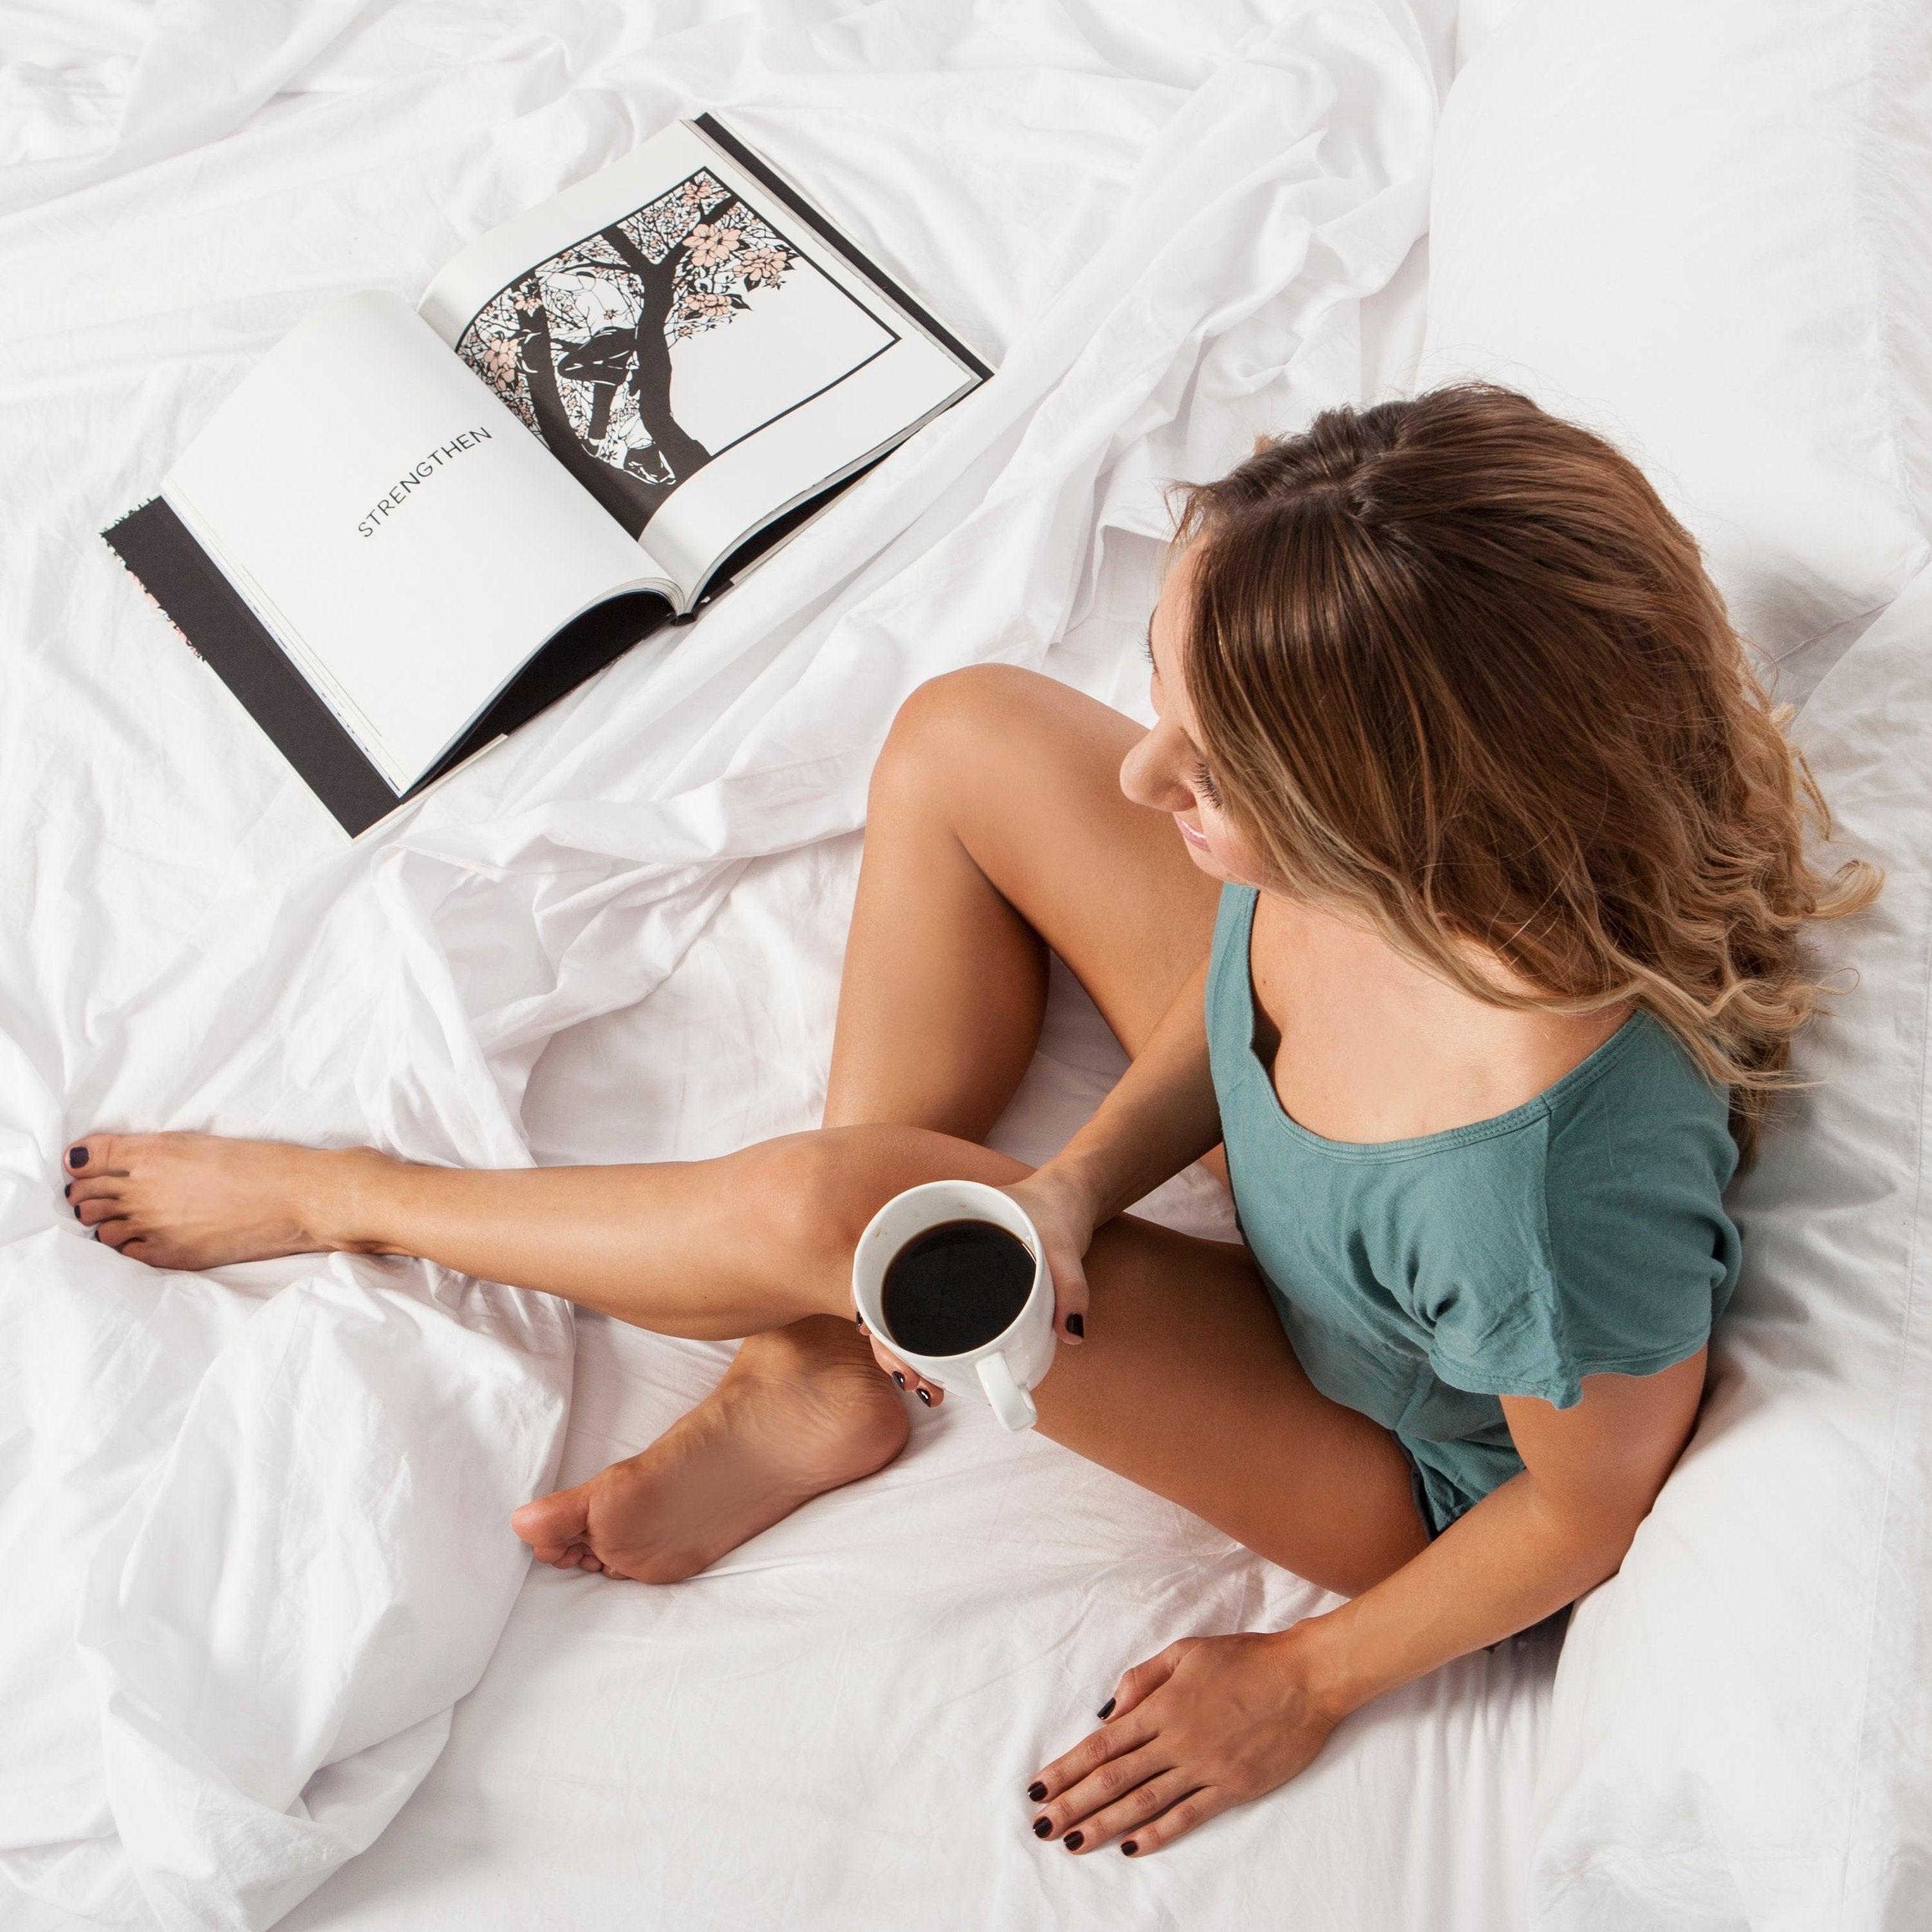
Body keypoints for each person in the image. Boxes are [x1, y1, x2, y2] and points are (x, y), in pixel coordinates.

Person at [59, 387, 1876, 1857]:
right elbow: (1250, 993)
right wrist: (1078, 1185)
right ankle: (818, 1375)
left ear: (1383, 815)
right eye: (1172, 704)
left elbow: (1581, 1517)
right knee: (966, 735)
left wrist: (1308, 1680)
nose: (1153, 773)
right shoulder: (1432, 854)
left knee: (844, 1206)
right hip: (1330, 1146)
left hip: (1394, 1455)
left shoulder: (1540, 1191)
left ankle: (361, 1199)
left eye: (1213, 767)